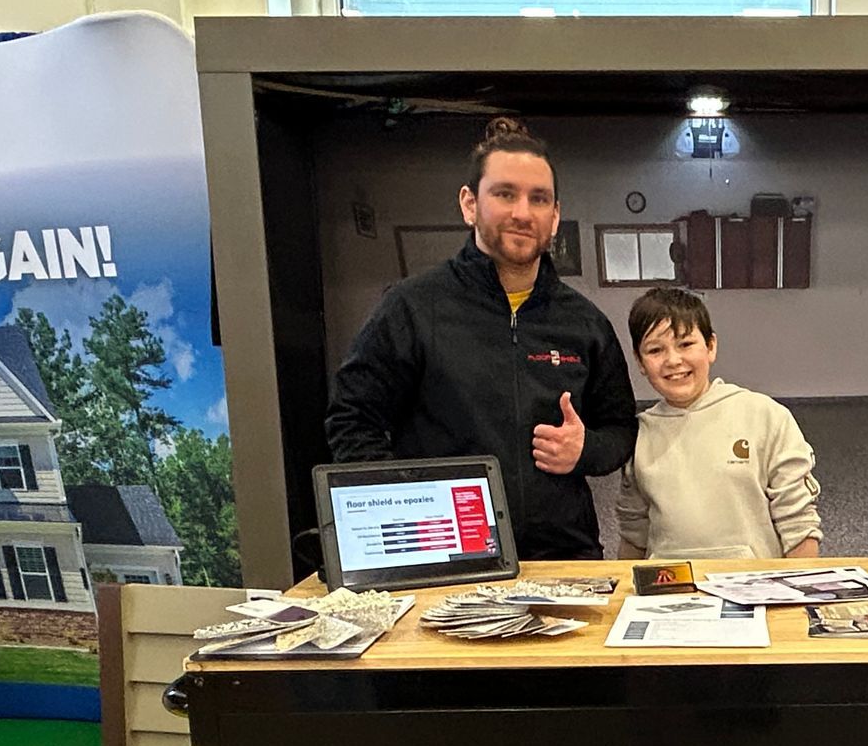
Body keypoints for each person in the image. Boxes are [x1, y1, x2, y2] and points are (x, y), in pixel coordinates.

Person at [325, 118, 637, 559]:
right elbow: (352, 420)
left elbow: (621, 428)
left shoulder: (585, 324)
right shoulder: (411, 308)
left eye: (538, 199)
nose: (523, 213)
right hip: (445, 558)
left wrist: (586, 449)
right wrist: (399, 511)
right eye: (505, 194)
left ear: (555, 216)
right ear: (470, 204)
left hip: (563, 557)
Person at [616, 286, 822, 560]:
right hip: (668, 592)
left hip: (753, 592)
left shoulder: (766, 417)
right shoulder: (638, 434)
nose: (673, 360)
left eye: (686, 344)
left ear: (710, 346)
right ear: (640, 362)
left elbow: (799, 527)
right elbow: (634, 535)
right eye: (655, 350)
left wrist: (797, 598)